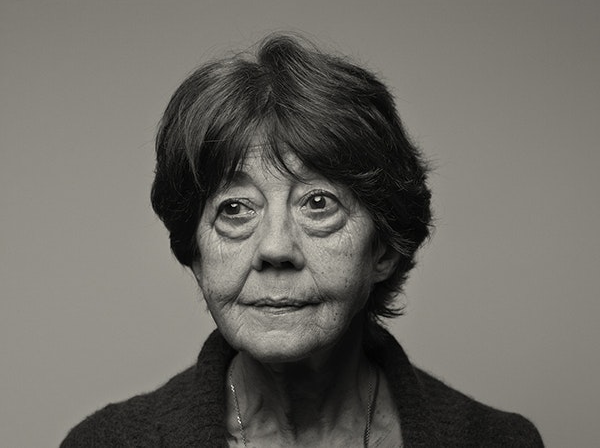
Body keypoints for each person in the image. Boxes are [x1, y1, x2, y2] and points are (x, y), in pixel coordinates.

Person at [61, 33, 543, 447]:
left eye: (318, 203)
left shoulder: (496, 440)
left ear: (383, 247)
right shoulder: (108, 443)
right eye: (235, 209)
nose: (275, 249)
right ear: (197, 254)